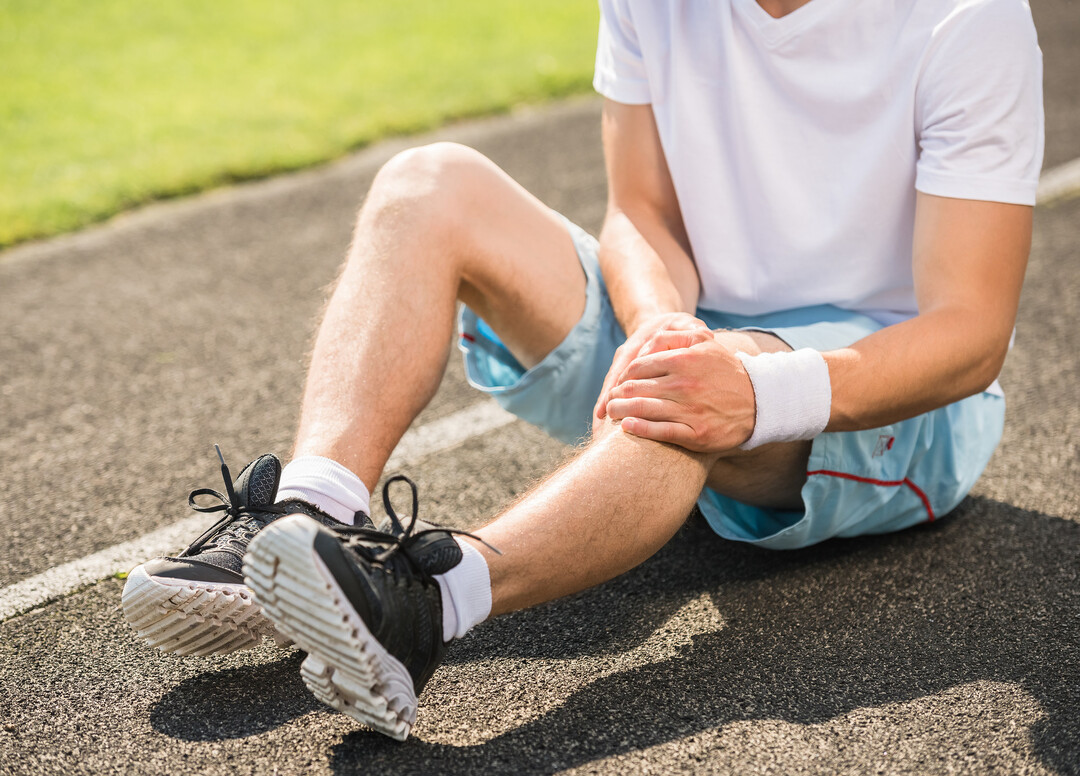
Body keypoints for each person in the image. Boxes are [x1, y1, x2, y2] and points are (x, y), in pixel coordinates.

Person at [122, 0, 1042, 741]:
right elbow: (639, 211)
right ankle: (310, 509)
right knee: (427, 182)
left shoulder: (967, 20)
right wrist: (662, 324)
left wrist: (751, 389)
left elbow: (969, 333)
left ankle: (427, 602)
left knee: (686, 391)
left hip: (878, 402)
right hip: (697, 322)